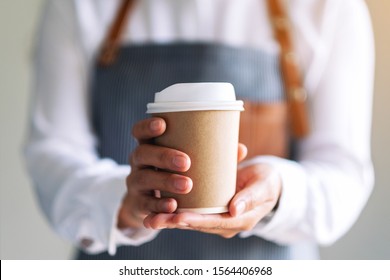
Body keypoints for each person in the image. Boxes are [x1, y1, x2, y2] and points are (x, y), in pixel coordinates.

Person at [24, 0, 375, 259]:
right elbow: (53, 152)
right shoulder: (78, 6)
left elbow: (343, 172)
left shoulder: (327, 8)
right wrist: (120, 201)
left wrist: (278, 193)